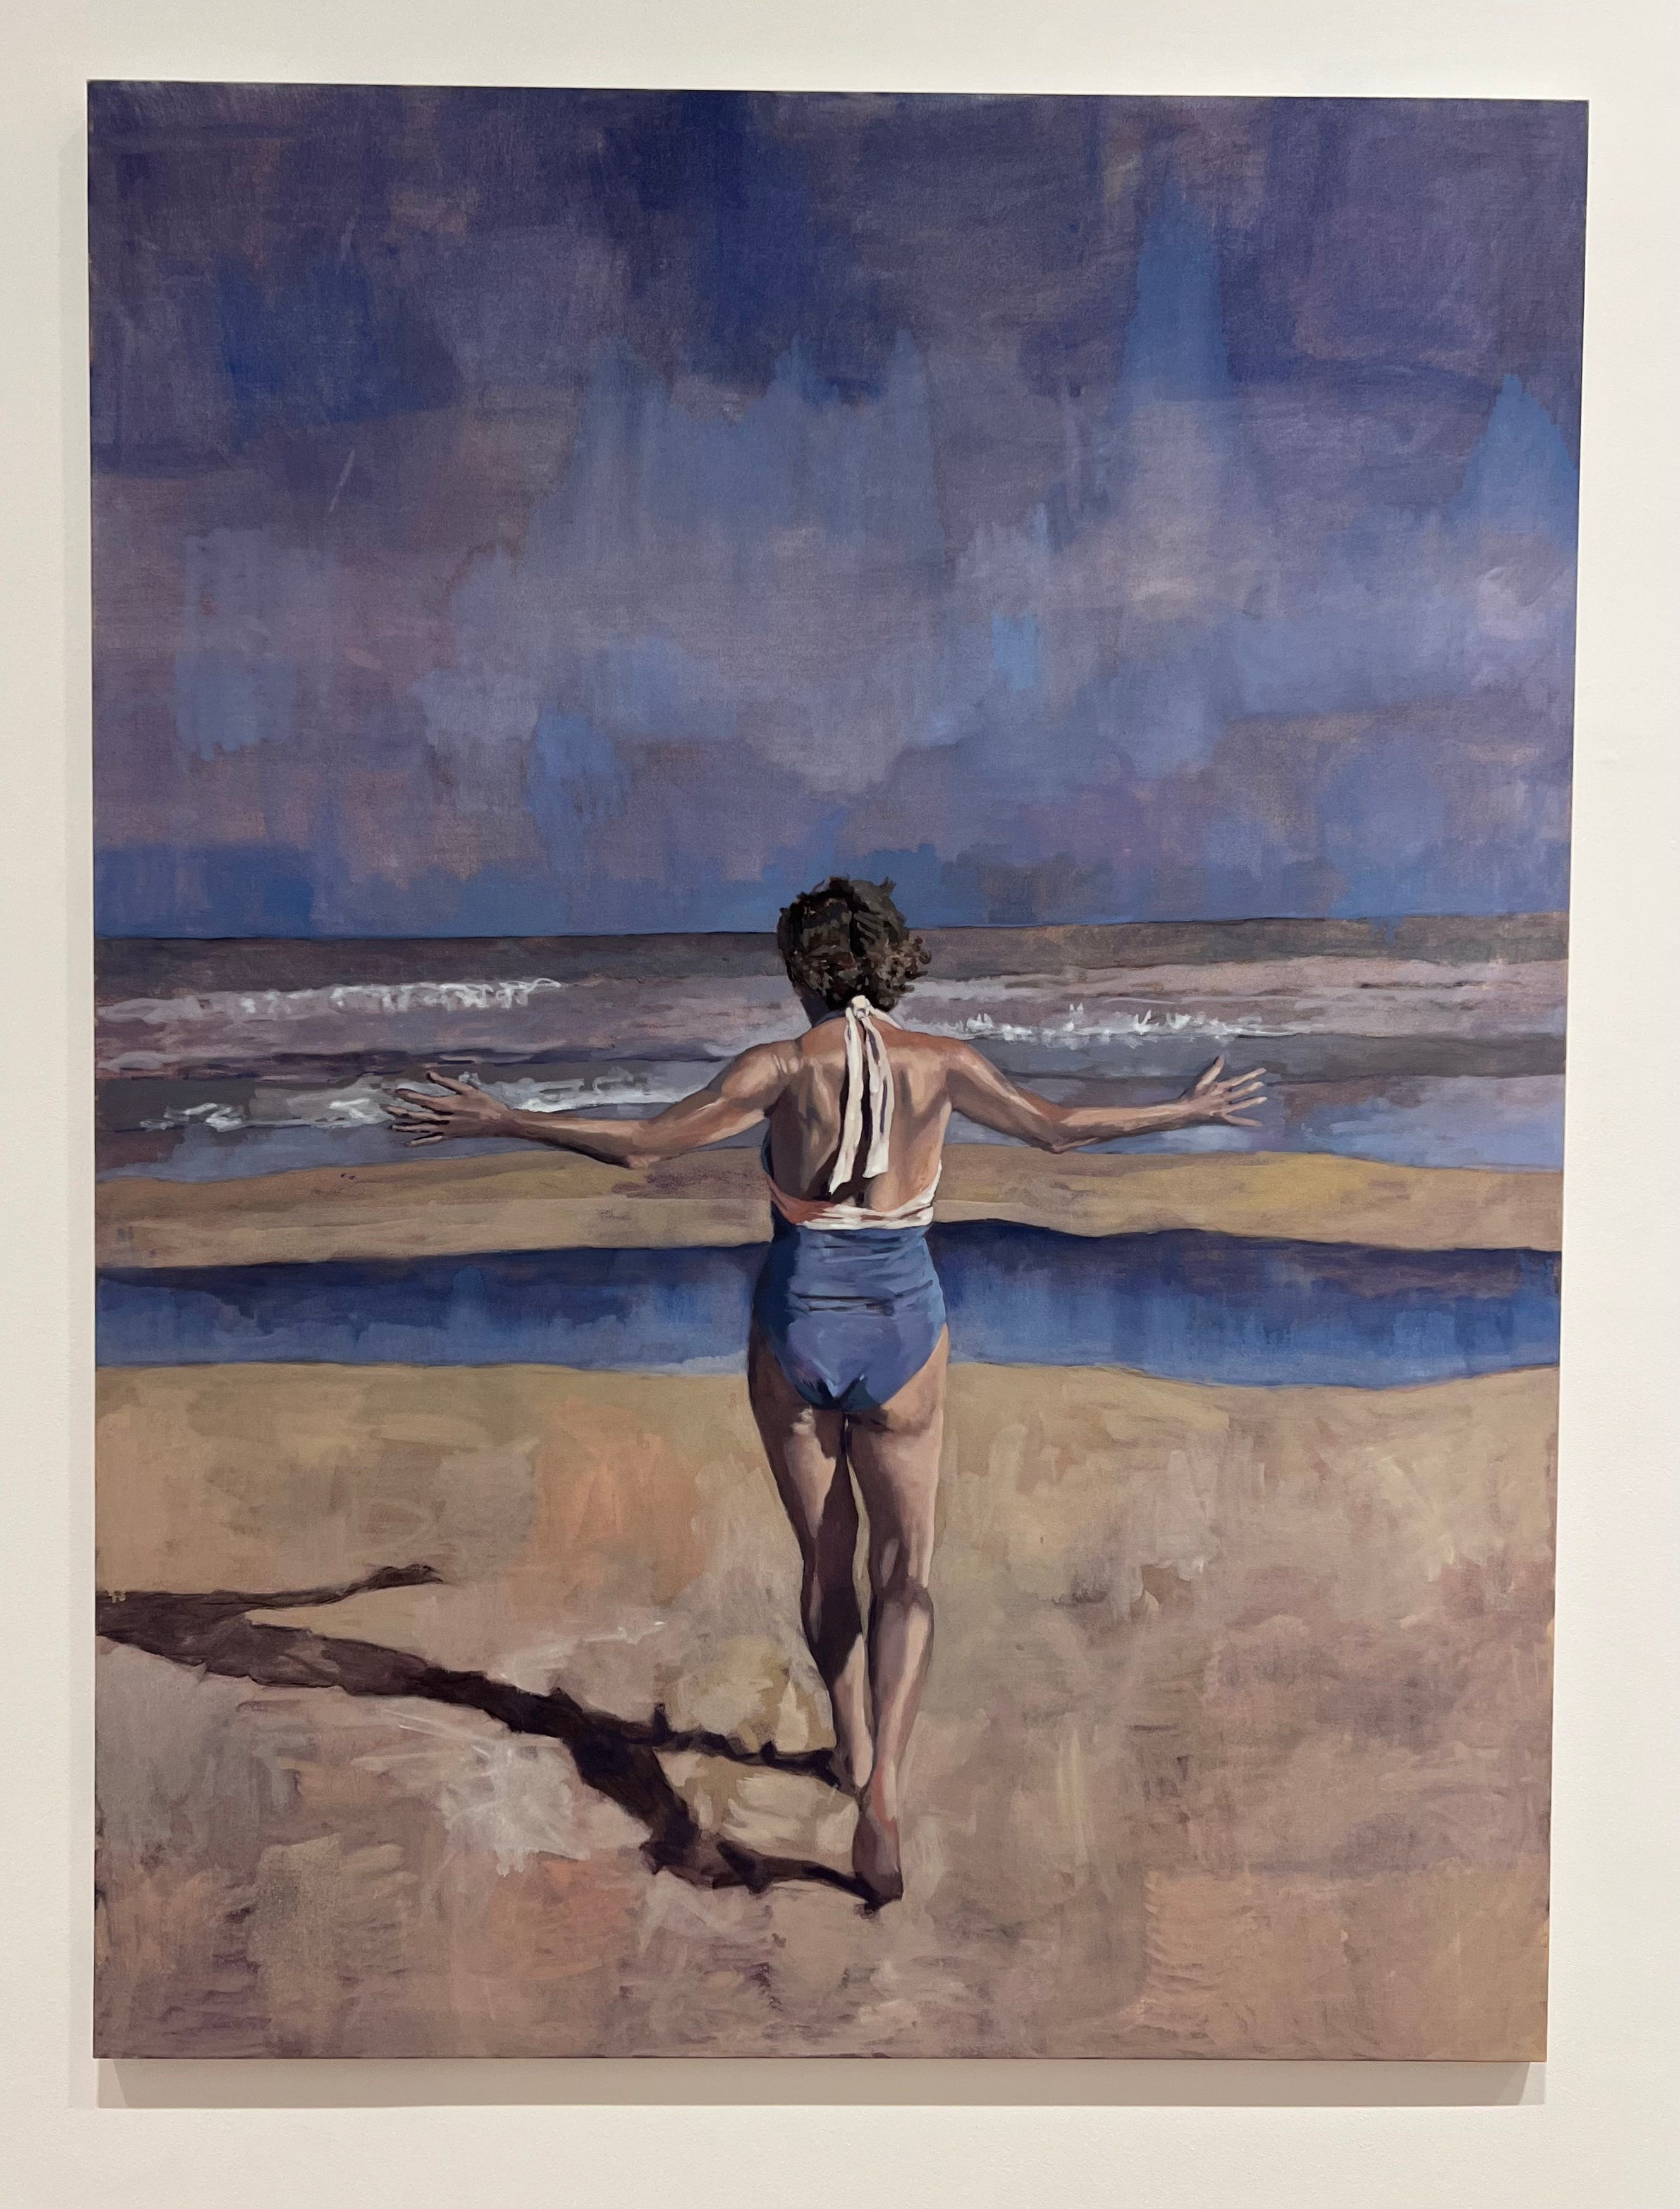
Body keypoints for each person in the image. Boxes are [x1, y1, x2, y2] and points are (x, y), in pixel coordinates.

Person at [387, 877, 1266, 1904]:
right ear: (893, 960)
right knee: (907, 1574)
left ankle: (848, 1735)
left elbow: (642, 1147)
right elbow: (1058, 1128)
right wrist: (1184, 1108)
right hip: (903, 1328)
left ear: (798, 967)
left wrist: (505, 1118)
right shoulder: (943, 1063)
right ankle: (882, 1789)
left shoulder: (776, 1067)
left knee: (827, 1560)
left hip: (798, 1322)